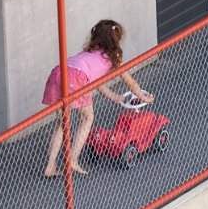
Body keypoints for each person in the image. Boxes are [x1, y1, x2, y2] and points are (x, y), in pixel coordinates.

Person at [42, 19, 154, 177]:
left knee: (62, 123)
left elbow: (95, 81)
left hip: (59, 72)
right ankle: (72, 160)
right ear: (116, 40)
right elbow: (130, 82)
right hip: (76, 78)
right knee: (87, 117)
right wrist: (144, 97)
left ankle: (50, 166)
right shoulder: (113, 56)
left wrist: (114, 97)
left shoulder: (90, 52)